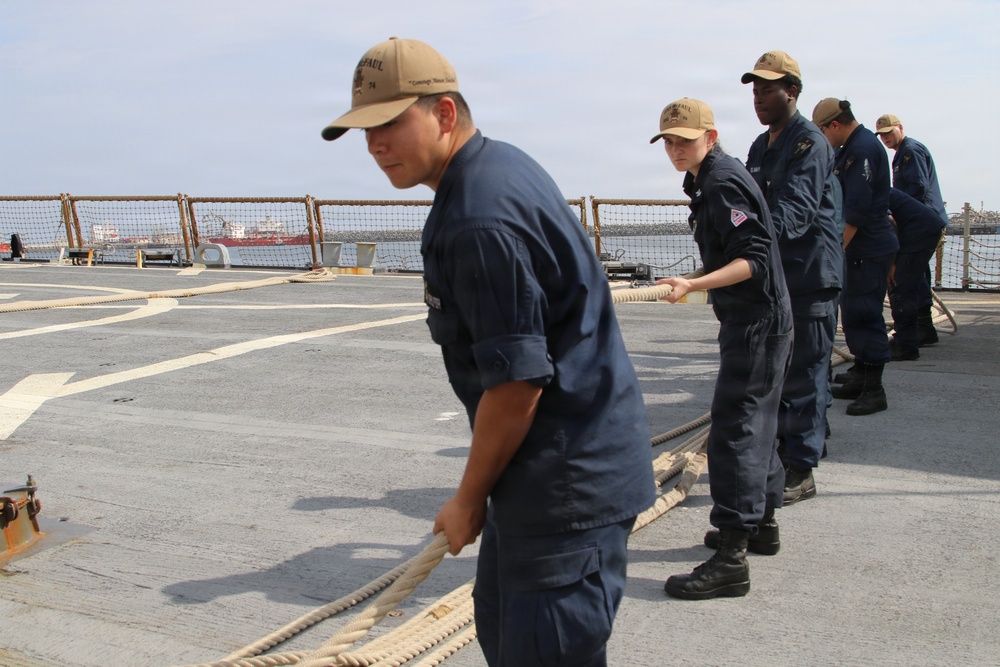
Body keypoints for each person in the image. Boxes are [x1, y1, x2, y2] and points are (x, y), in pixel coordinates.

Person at [321, 37, 656, 666]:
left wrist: (468, 497)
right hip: (548, 474)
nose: (374, 145)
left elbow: (516, 384)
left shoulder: (478, 218)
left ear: (443, 114)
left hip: (563, 489)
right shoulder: (500, 166)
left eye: (390, 123)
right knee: (507, 637)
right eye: (364, 131)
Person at [651, 98, 792, 600]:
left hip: (755, 321)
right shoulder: (708, 177)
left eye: (685, 140)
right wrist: (696, 282)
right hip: (760, 318)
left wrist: (693, 284)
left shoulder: (722, 180)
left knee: (734, 430)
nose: (675, 150)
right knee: (759, 421)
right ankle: (762, 526)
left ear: (710, 136)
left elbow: (753, 258)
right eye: (668, 141)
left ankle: (731, 557)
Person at [740, 50, 844, 506]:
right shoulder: (761, 147)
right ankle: (786, 452)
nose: (760, 97)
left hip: (810, 275)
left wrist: (747, 251)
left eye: (768, 89)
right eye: (755, 90)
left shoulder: (809, 143)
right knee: (779, 371)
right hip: (778, 276)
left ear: (792, 92)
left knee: (805, 370)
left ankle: (801, 468)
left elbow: (792, 214)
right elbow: (744, 207)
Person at [812, 98, 899, 416]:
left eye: (823, 131)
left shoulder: (861, 150)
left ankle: (875, 389)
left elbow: (855, 212)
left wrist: (832, 253)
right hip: (862, 249)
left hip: (867, 248)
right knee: (853, 316)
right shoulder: (850, 149)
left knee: (864, 315)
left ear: (834, 125)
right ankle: (862, 375)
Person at [875, 113, 947, 346]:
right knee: (917, 274)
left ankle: (912, 332)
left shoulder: (910, 151)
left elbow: (917, 186)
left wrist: (898, 213)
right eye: (882, 135)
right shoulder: (901, 154)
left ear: (900, 128)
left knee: (905, 277)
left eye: (889, 132)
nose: (885, 138)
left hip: (919, 221)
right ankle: (924, 328)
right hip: (921, 221)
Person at [886, 188, 947, 360]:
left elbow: (889, 222)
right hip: (921, 225)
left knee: (899, 286)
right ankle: (923, 330)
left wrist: (892, 262)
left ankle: (906, 346)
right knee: (912, 281)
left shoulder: (859, 187)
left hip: (918, 230)